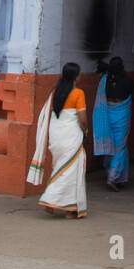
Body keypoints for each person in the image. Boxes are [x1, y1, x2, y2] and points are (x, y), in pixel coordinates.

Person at [27, 62, 88, 217]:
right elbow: (82, 118)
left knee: (61, 168)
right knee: (70, 170)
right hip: (71, 135)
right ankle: (53, 200)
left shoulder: (54, 92)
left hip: (56, 136)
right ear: (76, 77)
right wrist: (86, 130)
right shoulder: (78, 93)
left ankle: (69, 208)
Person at [93, 56, 134, 191]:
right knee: (119, 147)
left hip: (108, 115)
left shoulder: (105, 80)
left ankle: (121, 177)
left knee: (112, 144)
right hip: (122, 117)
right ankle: (113, 177)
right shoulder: (127, 81)